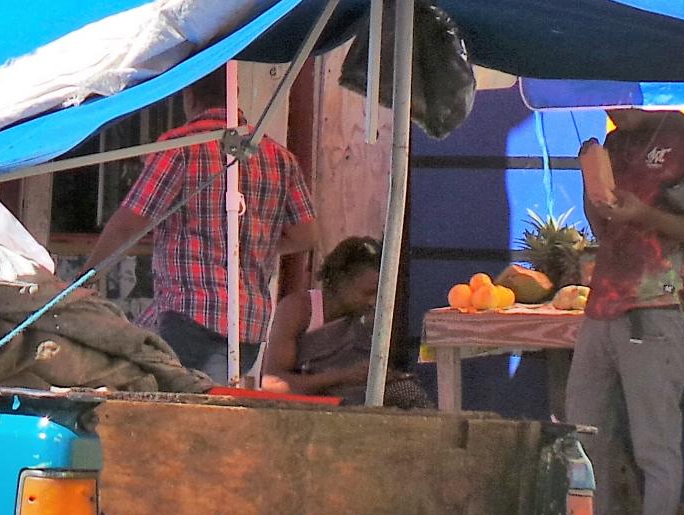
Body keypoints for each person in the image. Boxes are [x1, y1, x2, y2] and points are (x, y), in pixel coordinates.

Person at [92, 73, 319, 383]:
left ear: (189, 96)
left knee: (171, 407)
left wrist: (84, 280)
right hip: (249, 325)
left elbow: (130, 223)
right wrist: (249, 240)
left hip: (191, 316)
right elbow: (305, 235)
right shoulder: (279, 156)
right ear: (235, 93)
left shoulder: (182, 146)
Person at [566, 108, 684, 515]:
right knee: (583, 437)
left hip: (656, 305)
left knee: (654, 442)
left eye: (622, 101)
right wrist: (593, 194)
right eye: (608, 102)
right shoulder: (613, 145)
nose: (614, 111)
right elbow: (606, 230)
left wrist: (644, 215)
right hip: (601, 308)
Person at [259, 236, 432, 408]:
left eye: (378, 295)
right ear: (340, 280)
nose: (373, 302)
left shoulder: (371, 318)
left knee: (407, 393)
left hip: (361, 399)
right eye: (367, 293)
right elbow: (272, 383)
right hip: (310, 405)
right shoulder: (298, 309)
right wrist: (341, 376)